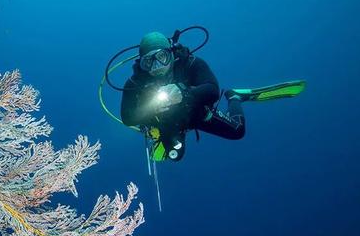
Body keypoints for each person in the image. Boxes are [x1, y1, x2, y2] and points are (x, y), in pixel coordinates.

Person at [120, 31, 305, 161]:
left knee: (237, 131)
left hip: (197, 114)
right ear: (141, 64)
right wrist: (151, 108)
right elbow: (127, 118)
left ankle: (235, 97)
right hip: (166, 122)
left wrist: (184, 92)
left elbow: (212, 90)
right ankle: (174, 139)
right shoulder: (134, 83)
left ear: (171, 53)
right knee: (175, 156)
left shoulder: (191, 64)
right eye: (148, 61)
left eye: (161, 57)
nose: (157, 66)